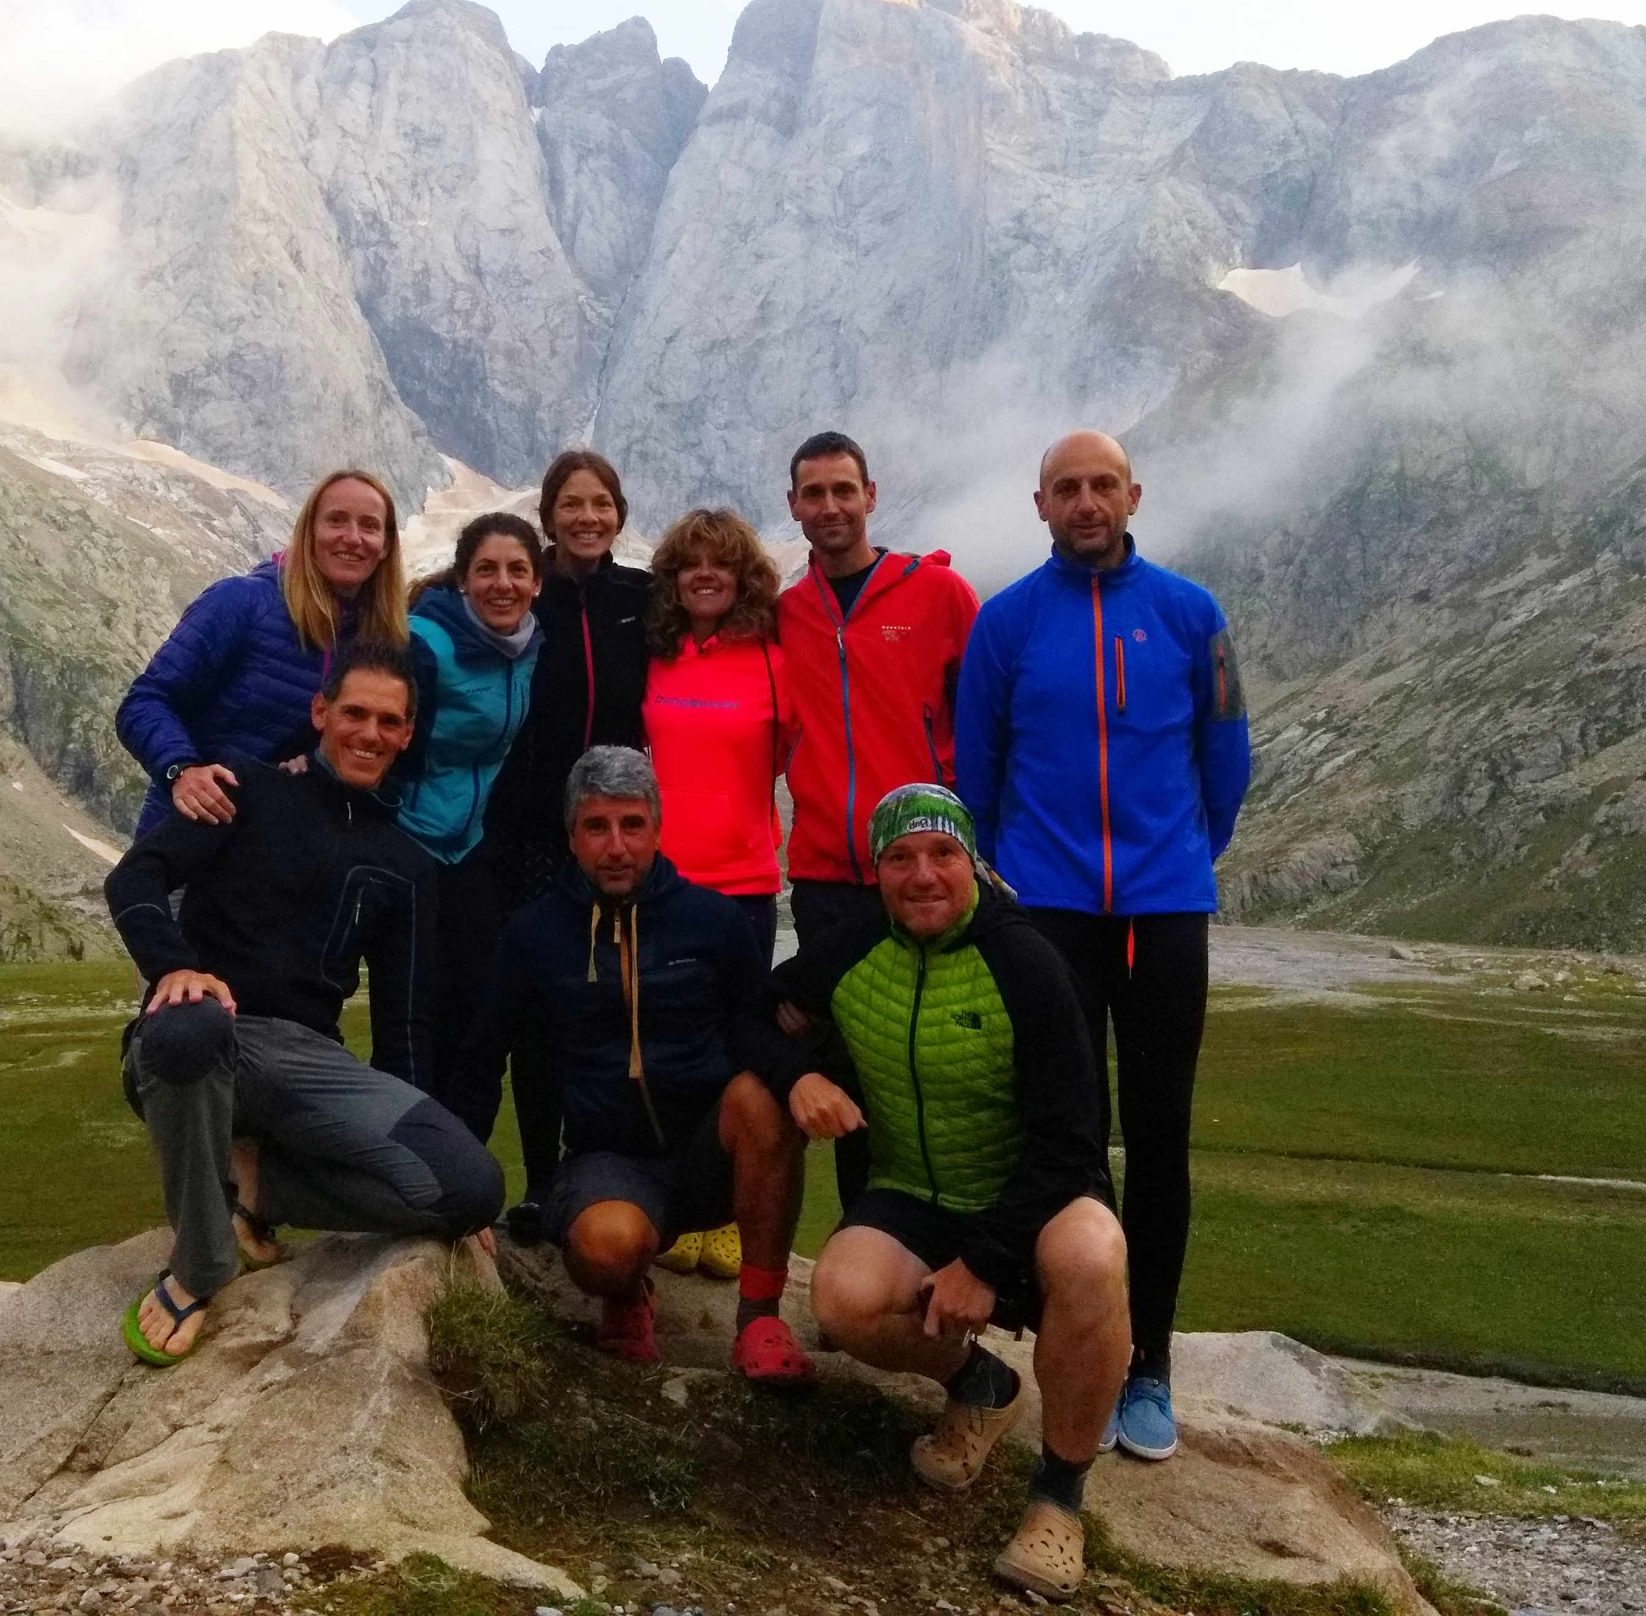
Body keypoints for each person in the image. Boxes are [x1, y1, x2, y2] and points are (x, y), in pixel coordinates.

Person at [954, 429, 1251, 1464]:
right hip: (1050, 913)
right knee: (1072, 1136)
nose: (1086, 503)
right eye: (1066, 489)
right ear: (1038, 504)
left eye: (1102, 486)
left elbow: (1226, 756)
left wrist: (1180, 860)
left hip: (1164, 911)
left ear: (1133, 495)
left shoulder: (1190, 615)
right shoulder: (1006, 624)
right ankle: (1096, 1338)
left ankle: (1152, 1364)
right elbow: (975, 772)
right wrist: (1017, 880)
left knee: (1161, 1131)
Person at [760, 784, 1129, 1599]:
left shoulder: (1027, 963)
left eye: (942, 855)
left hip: (1036, 1199)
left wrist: (986, 1264)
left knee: (1094, 1254)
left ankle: (1058, 1499)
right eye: (900, 858)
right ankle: (981, 1386)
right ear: (877, 872)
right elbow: (759, 1010)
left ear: (973, 865)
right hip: (915, 1190)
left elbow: (1074, 1140)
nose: (922, 875)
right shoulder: (853, 945)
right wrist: (799, 1075)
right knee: (842, 1297)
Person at [106, 643, 502, 1366]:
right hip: (203, 1035)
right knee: (186, 1028)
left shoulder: (405, 864)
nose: (369, 733)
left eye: (389, 720)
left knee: (470, 1186)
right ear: (321, 712)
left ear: (408, 733)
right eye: (354, 712)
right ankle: (200, 1261)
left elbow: (403, 1023)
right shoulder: (245, 789)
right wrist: (175, 968)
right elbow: (138, 875)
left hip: (305, 1062)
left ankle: (258, 1186)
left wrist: (438, 1157)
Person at [446, 746, 815, 1384]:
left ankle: (759, 1316)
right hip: (608, 1159)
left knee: (763, 1094)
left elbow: (755, 1031)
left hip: (709, 1152)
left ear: (656, 829)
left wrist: (802, 1075)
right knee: (603, 1251)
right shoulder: (533, 934)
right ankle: (626, 1292)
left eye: (631, 825)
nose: (615, 846)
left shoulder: (715, 921)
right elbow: (485, 1054)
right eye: (596, 827)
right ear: (572, 836)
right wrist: (457, 1192)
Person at [478, 451, 652, 1229]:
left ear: (618, 514)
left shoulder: (642, 599)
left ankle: (607, 1173)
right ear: (548, 515)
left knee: (613, 1009)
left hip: (614, 838)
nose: (588, 517)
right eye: (572, 504)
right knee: (534, 1016)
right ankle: (544, 1179)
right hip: (522, 838)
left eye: (602, 504)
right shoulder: (522, 595)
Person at [115, 469, 410, 835]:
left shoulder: (382, 642)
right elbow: (146, 701)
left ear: (385, 546)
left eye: (369, 526)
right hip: (189, 841)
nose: (352, 538)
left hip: (283, 859)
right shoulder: (241, 602)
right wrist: (182, 770)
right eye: (336, 521)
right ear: (308, 532)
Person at [778, 430, 980, 948]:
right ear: (793, 505)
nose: (830, 507)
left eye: (843, 491)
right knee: (834, 1026)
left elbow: (988, 722)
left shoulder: (940, 594)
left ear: (870, 495)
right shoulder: (785, 614)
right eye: (815, 494)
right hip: (823, 879)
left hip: (922, 870)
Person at [398, 514, 546, 1094]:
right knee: (415, 1014)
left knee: (476, 1013)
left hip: (470, 847)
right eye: (486, 569)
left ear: (537, 583)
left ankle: (462, 1166)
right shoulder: (423, 642)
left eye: (517, 570)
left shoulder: (531, 644)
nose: (502, 583)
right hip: (408, 841)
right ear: (462, 579)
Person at [642, 508, 800, 966]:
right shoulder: (656, 656)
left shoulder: (775, 662)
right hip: (661, 879)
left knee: (742, 1027)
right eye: (692, 564)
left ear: (743, 578)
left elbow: (791, 753)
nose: (705, 574)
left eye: (722, 563)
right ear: (674, 578)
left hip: (746, 885)